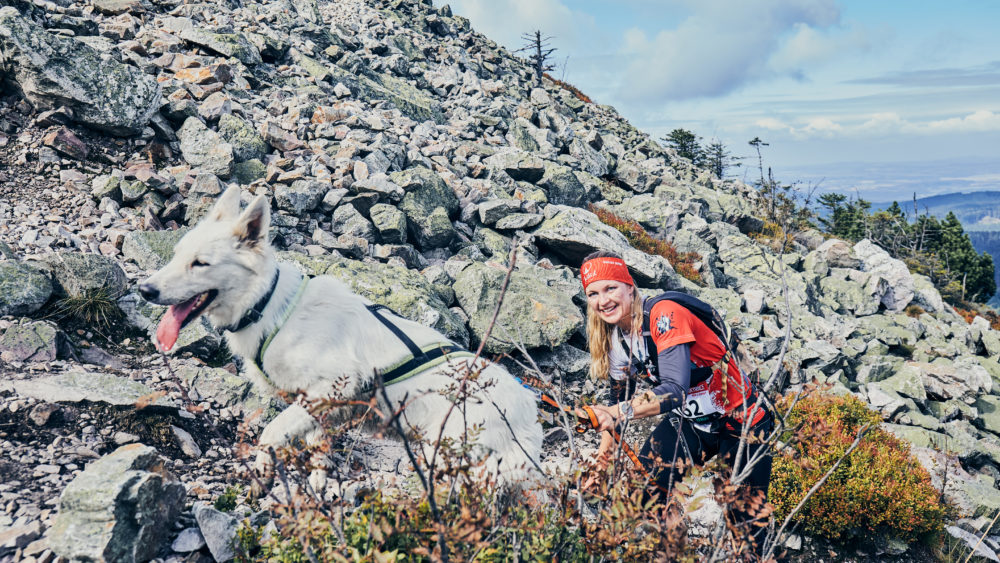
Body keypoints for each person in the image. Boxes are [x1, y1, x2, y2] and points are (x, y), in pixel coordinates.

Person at [579, 250, 774, 557]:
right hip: (692, 422)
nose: (602, 300)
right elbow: (616, 402)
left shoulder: (665, 314)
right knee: (646, 496)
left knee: (744, 522)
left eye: (610, 288)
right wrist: (602, 461)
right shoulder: (617, 338)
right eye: (593, 293)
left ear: (630, 286)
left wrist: (618, 411)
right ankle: (679, 553)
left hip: (743, 420)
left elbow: (674, 390)